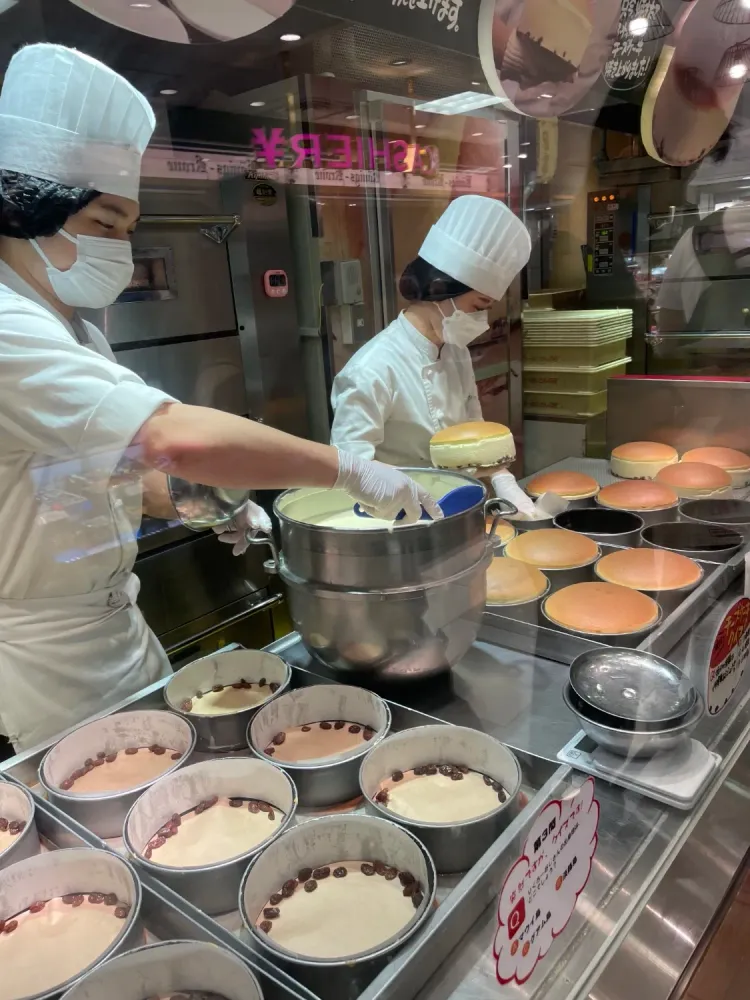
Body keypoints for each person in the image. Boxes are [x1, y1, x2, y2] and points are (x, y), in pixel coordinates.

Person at [0, 44, 439, 753]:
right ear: (26, 209)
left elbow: (115, 469)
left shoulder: (73, 331)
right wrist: (349, 469)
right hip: (41, 663)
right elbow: (173, 435)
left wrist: (201, 501)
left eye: (127, 227)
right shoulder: (6, 327)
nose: (120, 246)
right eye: (105, 223)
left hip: (118, 627)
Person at [330, 196, 532, 468]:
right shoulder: (371, 370)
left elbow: (474, 430)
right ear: (440, 289)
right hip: (396, 508)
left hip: (457, 500)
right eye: (479, 305)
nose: (482, 319)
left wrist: (502, 480)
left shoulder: (455, 351)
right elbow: (351, 470)